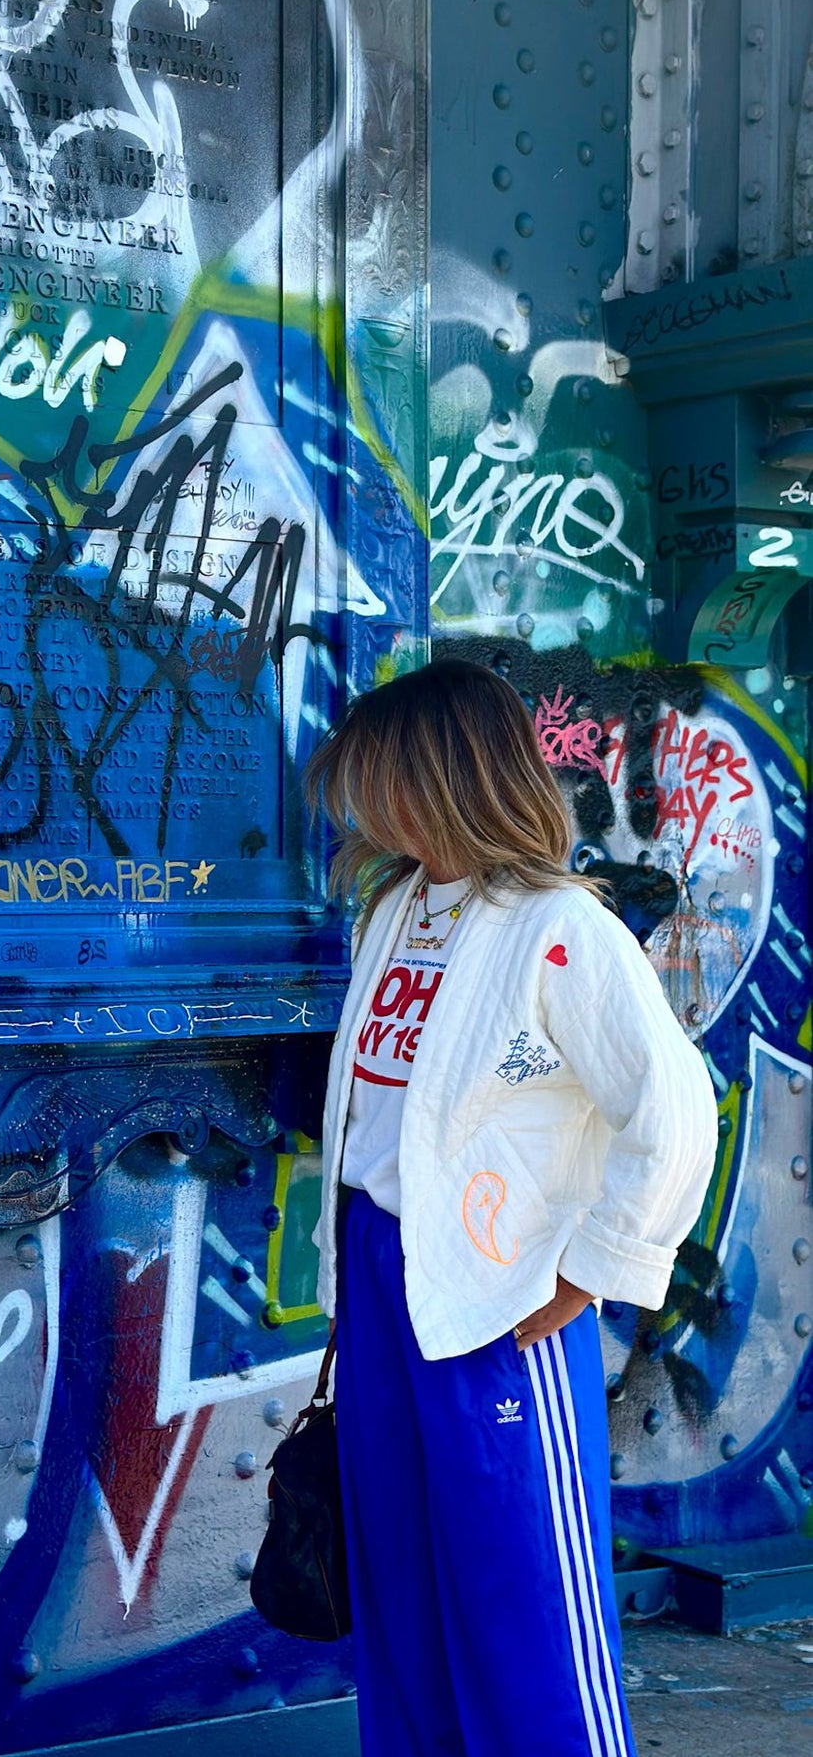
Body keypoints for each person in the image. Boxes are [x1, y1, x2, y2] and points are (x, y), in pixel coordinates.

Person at [305, 657, 717, 1757]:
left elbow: (674, 1110)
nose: (362, 806)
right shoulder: (395, 907)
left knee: (520, 1585)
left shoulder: (560, 927)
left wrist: (590, 1269)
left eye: (381, 779)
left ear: (445, 779)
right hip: (381, 1268)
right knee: (399, 1568)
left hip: (501, 1285)